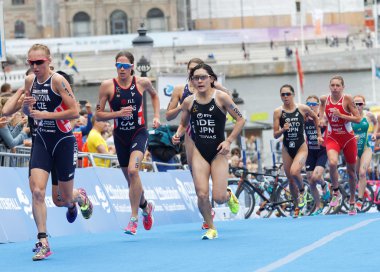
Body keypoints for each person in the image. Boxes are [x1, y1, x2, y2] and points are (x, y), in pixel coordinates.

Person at [21, 44, 93, 261]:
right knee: (37, 192)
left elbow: (74, 112)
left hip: (63, 141)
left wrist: (46, 115)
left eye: (39, 62)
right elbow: (29, 112)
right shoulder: (29, 82)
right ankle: (43, 241)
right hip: (42, 142)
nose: (35, 67)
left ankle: (79, 198)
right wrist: (26, 108)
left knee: (62, 198)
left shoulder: (58, 81)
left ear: (49, 61)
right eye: (31, 63)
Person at [172, 63, 245, 240]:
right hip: (200, 151)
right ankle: (211, 227)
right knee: (202, 193)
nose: (200, 81)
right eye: (196, 78)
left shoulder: (222, 98)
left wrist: (228, 141)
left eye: (203, 77)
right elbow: (183, 123)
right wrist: (178, 134)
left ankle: (228, 195)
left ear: (211, 79)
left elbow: (241, 119)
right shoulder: (189, 101)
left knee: (218, 197)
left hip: (219, 151)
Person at [95, 50, 160, 236]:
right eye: (118, 66)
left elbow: (155, 96)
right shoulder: (107, 86)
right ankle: (146, 207)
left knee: (133, 171)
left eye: (125, 66)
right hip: (120, 136)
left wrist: (156, 116)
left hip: (139, 133)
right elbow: (98, 114)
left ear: (132, 67)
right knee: (131, 181)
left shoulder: (142, 82)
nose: (121, 70)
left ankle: (133, 219)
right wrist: (117, 114)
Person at [165, 57, 230, 229]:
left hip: (212, 136)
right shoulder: (181, 91)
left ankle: (223, 194)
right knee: (198, 182)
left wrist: (220, 88)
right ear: (189, 74)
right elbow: (170, 116)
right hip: (191, 136)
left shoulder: (212, 88)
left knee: (218, 193)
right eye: (192, 72)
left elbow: (229, 105)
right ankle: (208, 217)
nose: (197, 78)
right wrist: (183, 108)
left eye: (200, 74)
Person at [273, 84, 322, 218]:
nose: (285, 97)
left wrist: (319, 134)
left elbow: (317, 117)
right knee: (290, 179)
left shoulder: (302, 108)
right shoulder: (278, 112)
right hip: (287, 147)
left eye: (288, 94)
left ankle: (302, 191)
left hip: (301, 147)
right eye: (283, 95)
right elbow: (275, 134)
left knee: (295, 172)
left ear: (293, 95)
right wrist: (283, 130)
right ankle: (297, 206)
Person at [319, 75, 361, 215]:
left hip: (348, 138)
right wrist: (321, 119)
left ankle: (353, 201)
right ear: (329, 87)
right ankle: (336, 192)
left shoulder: (347, 99)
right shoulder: (325, 99)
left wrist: (342, 115)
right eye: (333, 85)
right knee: (332, 163)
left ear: (343, 87)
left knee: (351, 172)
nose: (335, 88)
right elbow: (321, 111)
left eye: (338, 85)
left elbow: (358, 119)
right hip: (333, 137)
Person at [304, 95, 330, 215]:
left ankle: (325, 185)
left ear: (318, 106)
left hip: (322, 151)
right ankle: (318, 206)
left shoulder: (322, 118)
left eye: (313, 104)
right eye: (308, 104)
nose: (311, 107)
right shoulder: (304, 118)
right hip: (310, 151)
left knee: (315, 177)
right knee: (311, 180)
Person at [352, 95, 377, 211]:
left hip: (366, 148)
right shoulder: (349, 117)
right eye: (355, 104)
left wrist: (374, 134)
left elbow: (376, 123)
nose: (358, 106)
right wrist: (352, 137)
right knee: (356, 174)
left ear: (364, 104)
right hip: (354, 149)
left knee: (362, 173)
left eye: (360, 104)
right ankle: (364, 189)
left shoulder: (368, 115)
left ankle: (360, 199)